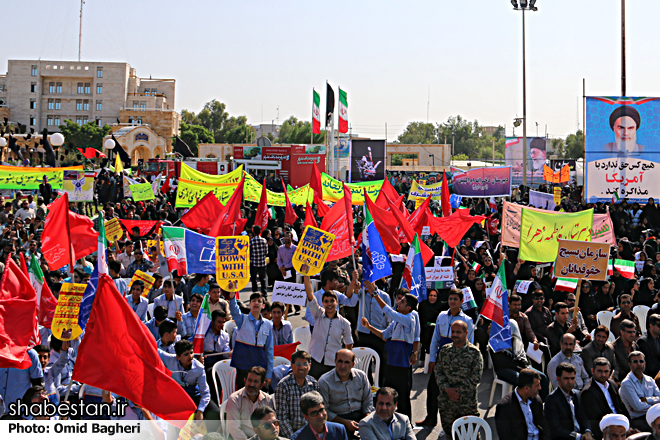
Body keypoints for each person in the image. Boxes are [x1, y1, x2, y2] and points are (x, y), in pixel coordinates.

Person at [417, 288, 474, 428]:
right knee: (433, 390)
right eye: (450, 299)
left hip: (457, 362)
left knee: (453, 394)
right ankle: (431, 419)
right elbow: (435, 339)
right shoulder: (441, 316)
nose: (452, 301)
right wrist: (432, 360)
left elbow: (470, 343)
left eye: (455, 299)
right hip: (440, 360)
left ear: (461, 301)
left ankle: (453, 425)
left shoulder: (467, 320)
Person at [435, 320, 483, 435]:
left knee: (471, 435)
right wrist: (447, 389)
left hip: (466, 404)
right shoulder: (445, 350)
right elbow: (438, 371)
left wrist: (456, 393)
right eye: (453, 332)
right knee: (450, 435)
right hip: (447, 404)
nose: (455, 335)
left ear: (466, 333)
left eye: (458, 332)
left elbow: (475, 378)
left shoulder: (474, 353)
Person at [303, 276, 353, 379]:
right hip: (315, 360)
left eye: (332, 301)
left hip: (332, 363)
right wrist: (306, 275)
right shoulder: (318, 314)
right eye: (326, 301)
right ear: (322, 303)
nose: (329, 304)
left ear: (337, 302)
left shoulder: (345, 323)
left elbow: (349, 345)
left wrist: (347, 365)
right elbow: (309, 294)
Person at [317, 349, 373, 438]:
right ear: (335, 361)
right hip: (337, 419)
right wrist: (344, 422)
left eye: (347, 362)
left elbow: (368, 401)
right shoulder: (325, 381)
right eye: (340, 361)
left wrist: (366, 419)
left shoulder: (361, 376)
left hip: (361, 416)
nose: (343, 366)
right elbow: (324, 410)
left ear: (353, 364)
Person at [490, 319, 550, 401]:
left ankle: (543, 404)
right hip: (504, 369)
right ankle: (528, 405)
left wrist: (526, 367)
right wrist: (523, 370)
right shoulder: (495, 343)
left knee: (542, 377)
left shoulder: (516, 341)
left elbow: (522, 357)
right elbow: (504, 363)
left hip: (520, 367)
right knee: (524, 380)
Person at [158, 340, 218, 420]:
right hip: (177, 397)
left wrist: (200, 410)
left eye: (191, 352)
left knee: (216, 414)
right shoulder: (169, 360)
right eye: (186, 354)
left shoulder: (199, 368)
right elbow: (155, 350)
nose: (190, 356)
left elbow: (205, 393)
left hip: (194, 397)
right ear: (178, 357)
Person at [228, 290, 274, 387]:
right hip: (243, 365)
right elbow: (234, 310)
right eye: (253, 300)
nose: (256, 303)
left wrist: (269, 373)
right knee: (242, 393)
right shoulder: (242, 319)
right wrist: (232, 297)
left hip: (259, 365)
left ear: (263, 306)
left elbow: (269, 350)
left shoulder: (268, 324)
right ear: (249, 304)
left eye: (259, 301)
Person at [580, 357, 631, 440]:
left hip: (621, 425)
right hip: (607, 430)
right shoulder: (588, 392)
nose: (603, 374)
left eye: (606, 371)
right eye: (600, 371)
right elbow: (596, 420)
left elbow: (621, 407)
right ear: (592, 371)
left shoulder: (612, 384)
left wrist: (628, 426)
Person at [356, 279, 392, 386]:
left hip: (379, 333)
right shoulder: (361, 293)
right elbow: (351, 298)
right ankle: (367, 385)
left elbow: (388, 314)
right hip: (364, 333)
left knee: (381, 362)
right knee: (364, 361)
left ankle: (380, 386)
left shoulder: (384, 296)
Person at [275, 351, 319, 438]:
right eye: (298, 364)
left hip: (311, 432)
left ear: (309, 366)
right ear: (292, 365)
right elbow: (282, 418)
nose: (301, 367)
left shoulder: (313, 383)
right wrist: (294, 437)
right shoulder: (283, 385)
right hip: (291, 433)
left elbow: (318, 411)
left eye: (305, 364)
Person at [495, 369, 548, 440]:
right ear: (526, 388)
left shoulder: (537, 400)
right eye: (537, 385)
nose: (540, 388)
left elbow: (544, 425)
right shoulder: (505, 407)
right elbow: (505, 436)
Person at [545, 362, 593, 440]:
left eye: (572, 378)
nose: (570, 382)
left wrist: (588, 431)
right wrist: (579, 437)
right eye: (566, 378)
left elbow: (584, 416)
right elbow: (556, 429)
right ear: (558, 379)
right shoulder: (552, 399)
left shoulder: (577, 394)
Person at [226, 366, 276, 440]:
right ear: (245, 381)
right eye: (249, 380)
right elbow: (234, 429)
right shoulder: (234, 399)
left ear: (262, 385)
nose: (251, 384)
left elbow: (271, 424)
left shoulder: (267, 400)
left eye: (256, 381)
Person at [620, 351, 660, 431]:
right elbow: (638, 407)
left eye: (641, 361)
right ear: (629, 364)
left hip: (656, 416)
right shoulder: (626, 383)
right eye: (635, 361)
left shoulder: (650, 379)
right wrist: (656, 405)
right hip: (639, 420)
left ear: (644, 363)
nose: (639, 364)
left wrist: (646, 400)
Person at [637, 314, 660, 378]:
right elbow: (647, 366)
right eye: (659, 325)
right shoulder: (643, 341)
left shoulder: (658, 338)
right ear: (651, 326)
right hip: (650, 377)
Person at [251, 225, 268, 296]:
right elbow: (266, 252)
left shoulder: (251, 241)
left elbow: (249, 252)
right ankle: (264, 294)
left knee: (254, 279)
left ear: (253, 232)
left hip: (254, 263)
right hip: (262, 263)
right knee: (263, 279)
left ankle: (255, 293)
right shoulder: (264, 240)